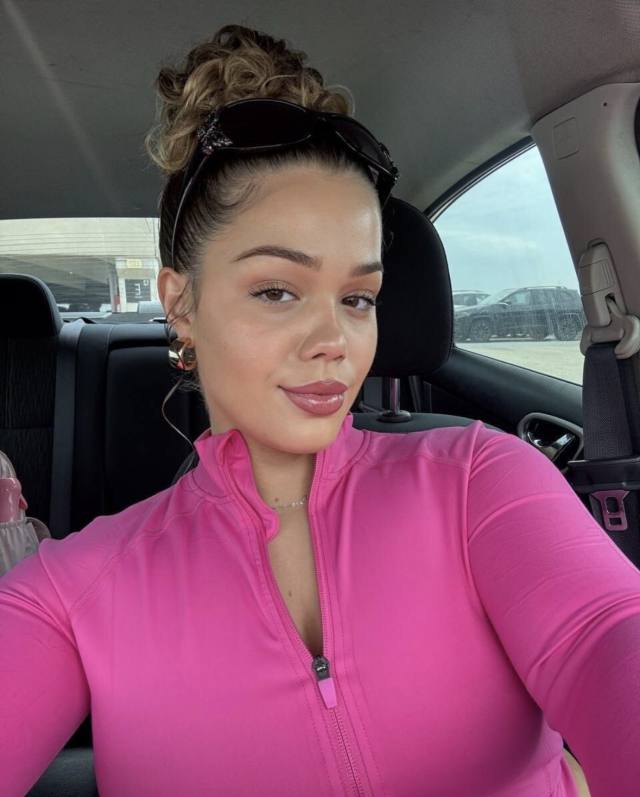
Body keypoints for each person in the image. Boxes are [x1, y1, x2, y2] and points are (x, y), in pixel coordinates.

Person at [1, 23, 638, 797]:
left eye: (357, 297)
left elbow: (609, 635)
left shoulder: (482, 477)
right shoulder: (74, 590)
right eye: (278, 290)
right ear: (181, 303)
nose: (334, 339)